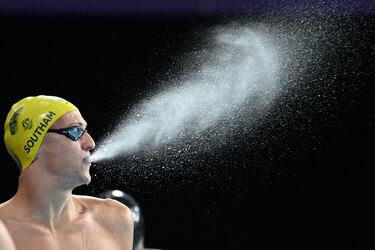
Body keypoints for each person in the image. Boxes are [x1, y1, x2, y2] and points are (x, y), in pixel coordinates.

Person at [0, 95, 133, 250]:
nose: (90, 143)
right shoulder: (3, 231)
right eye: (76, 131)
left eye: (85, 131)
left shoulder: (114, 219)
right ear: (35, 144)